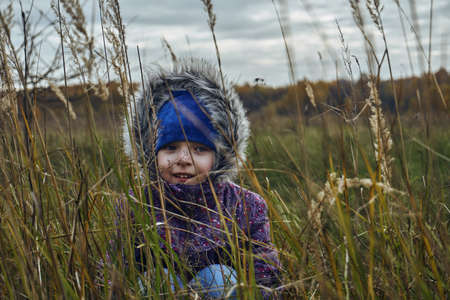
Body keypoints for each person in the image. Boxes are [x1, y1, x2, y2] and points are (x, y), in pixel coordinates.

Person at [119, 58, 280, 298]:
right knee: (158, 280)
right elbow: (114, 269)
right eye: (170, 147)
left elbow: (265, 275)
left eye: (199, 149)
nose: (183, 159)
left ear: (220, 155)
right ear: (151, 152)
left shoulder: (245, 206)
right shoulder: (136, 204)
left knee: (218, 276)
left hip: (221, 291)